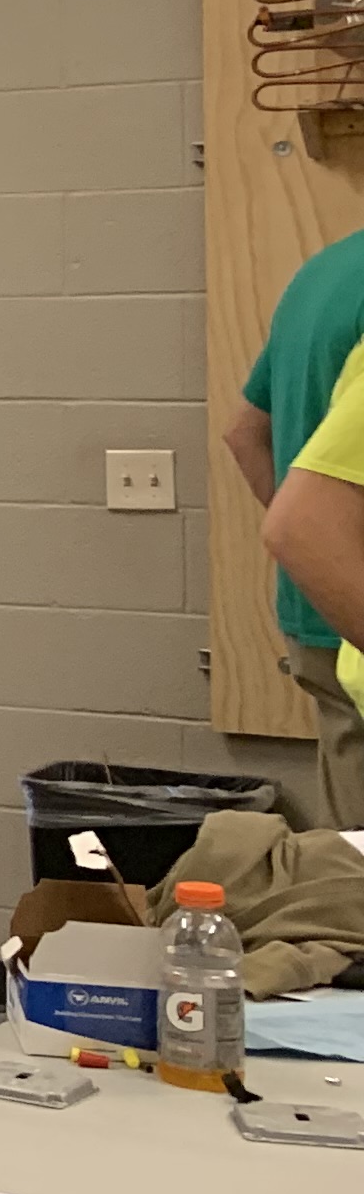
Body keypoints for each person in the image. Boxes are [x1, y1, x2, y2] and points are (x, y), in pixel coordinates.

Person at [231, 223, 364, 822]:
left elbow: (244, 433)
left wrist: (318, 555)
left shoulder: (321, 274)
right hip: (351, 618)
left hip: (315, 613)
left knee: (350, 840)